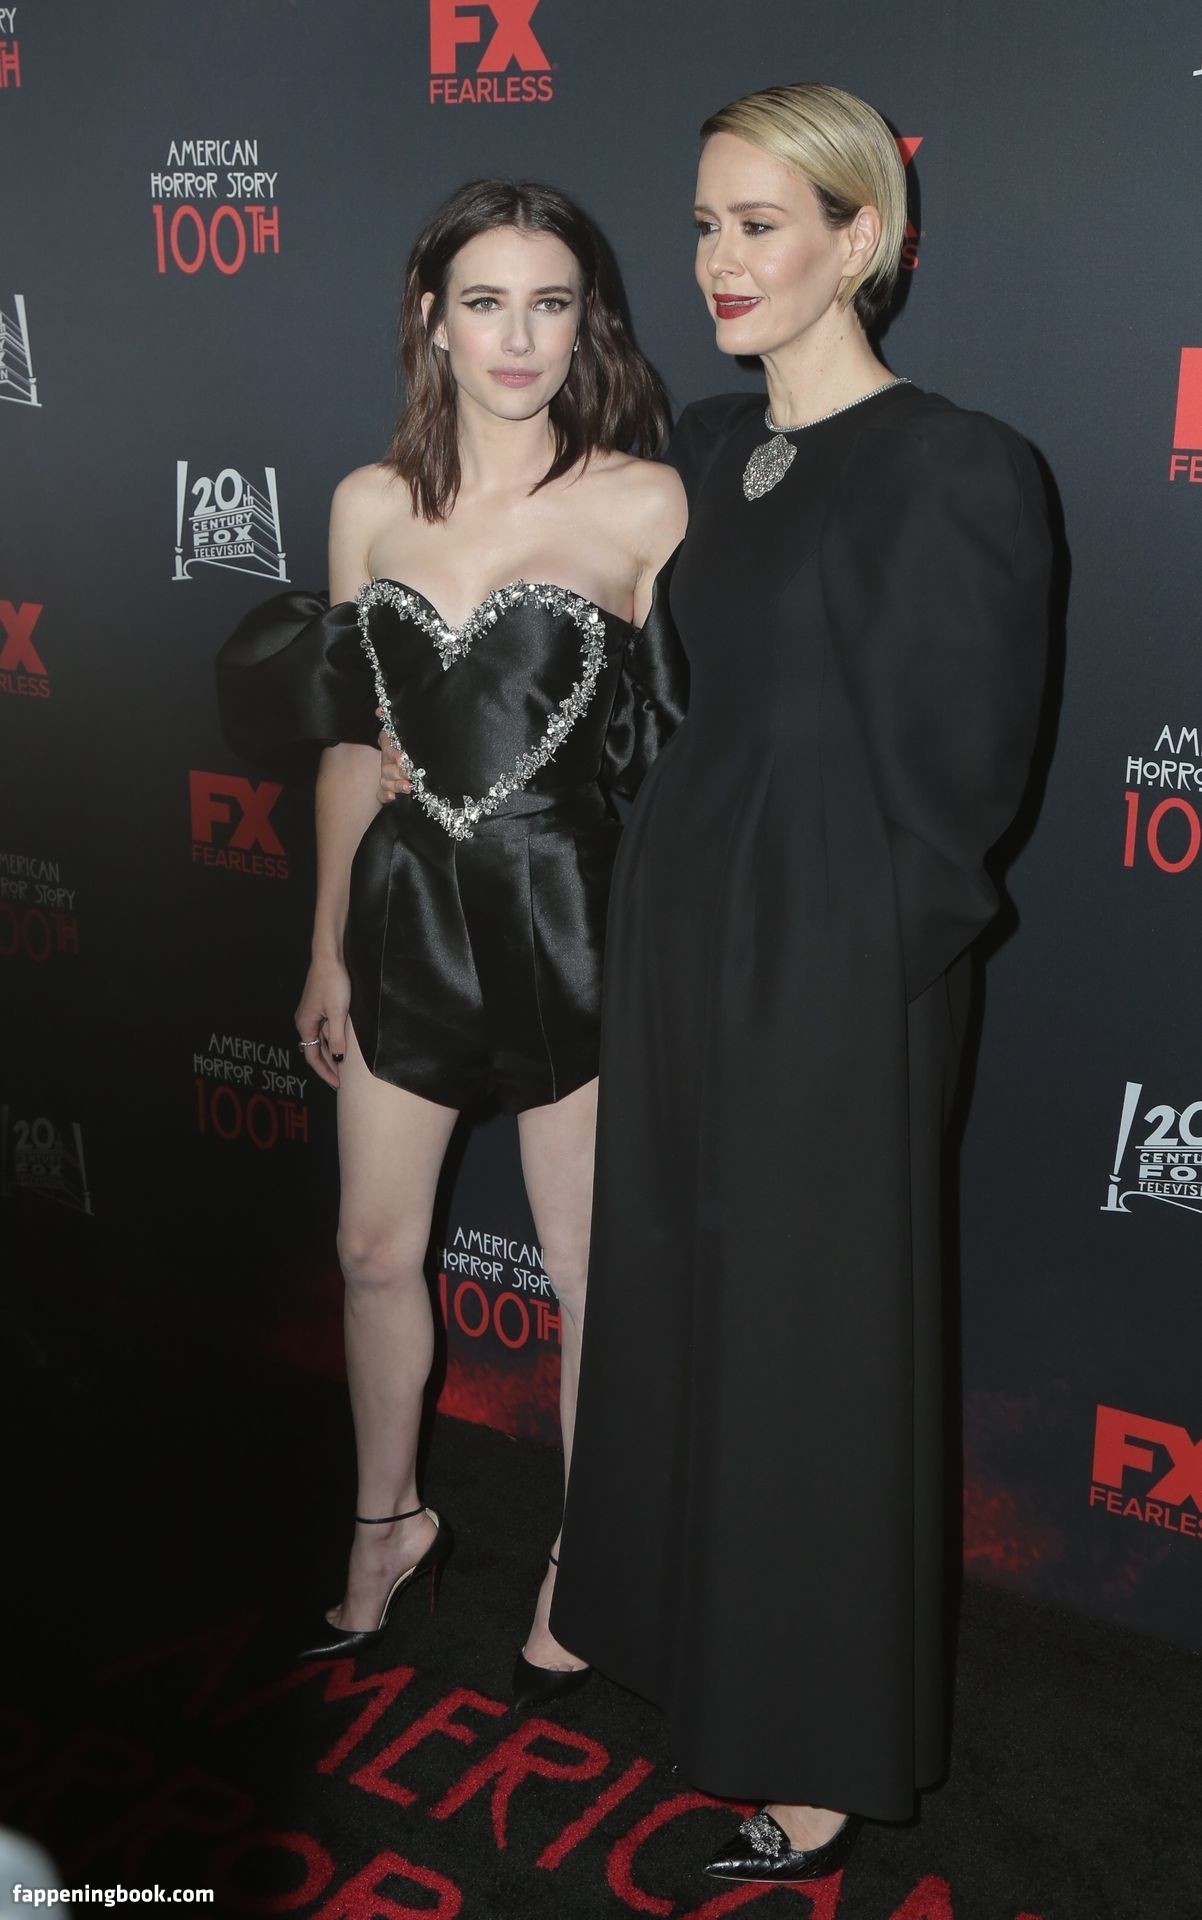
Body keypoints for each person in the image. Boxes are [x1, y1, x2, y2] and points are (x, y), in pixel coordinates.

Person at [543, 85, 1053, 1884]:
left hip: (837, 955)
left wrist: (852, 967)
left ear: (860, 238)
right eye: (702, 224)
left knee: (818, 1341)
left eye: (760, 223)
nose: (717, 260)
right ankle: (675, 1639)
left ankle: (825, 1746)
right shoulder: (699, 445)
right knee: (691, 1298)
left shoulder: (955, 463)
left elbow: (964, 782)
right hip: (683, 923)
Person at [216, 179, 687, 1697]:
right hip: (405, 907)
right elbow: (349, 747)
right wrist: (323, 947)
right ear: (432, 317)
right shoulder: (369, 502)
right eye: (486, 302)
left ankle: (585, 1556)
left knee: (586, 1272)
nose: (519, 337)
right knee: (370, 1248)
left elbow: (689, 749)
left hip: (571, 917)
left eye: (551, 303)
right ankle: (386, 1526)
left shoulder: (644, 503)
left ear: (587, 321)